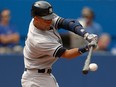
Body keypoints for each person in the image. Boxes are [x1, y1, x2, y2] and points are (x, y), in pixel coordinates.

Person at [21, 1, 98, 87]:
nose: (49, 21)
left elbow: (69, 23)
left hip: (44, 76)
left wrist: (86, 35)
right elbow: (67, 54)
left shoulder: (43, 19)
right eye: (46, 19)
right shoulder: (38, 40)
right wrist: (86, 48)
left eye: (50, 18)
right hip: (35, 79)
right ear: (36, 18)